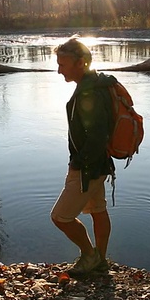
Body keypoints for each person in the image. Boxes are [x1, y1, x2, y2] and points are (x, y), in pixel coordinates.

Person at [51, 37, 117, 277]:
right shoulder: (94, 84)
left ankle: (90, 255)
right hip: (98, 165)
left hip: (89, 167)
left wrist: (80, 165)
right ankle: (100, 259)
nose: (59, 70)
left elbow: (98, 135)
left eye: (63, 64)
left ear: (81, 63)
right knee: (98, 210)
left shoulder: (90, 91)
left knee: (60, 217)